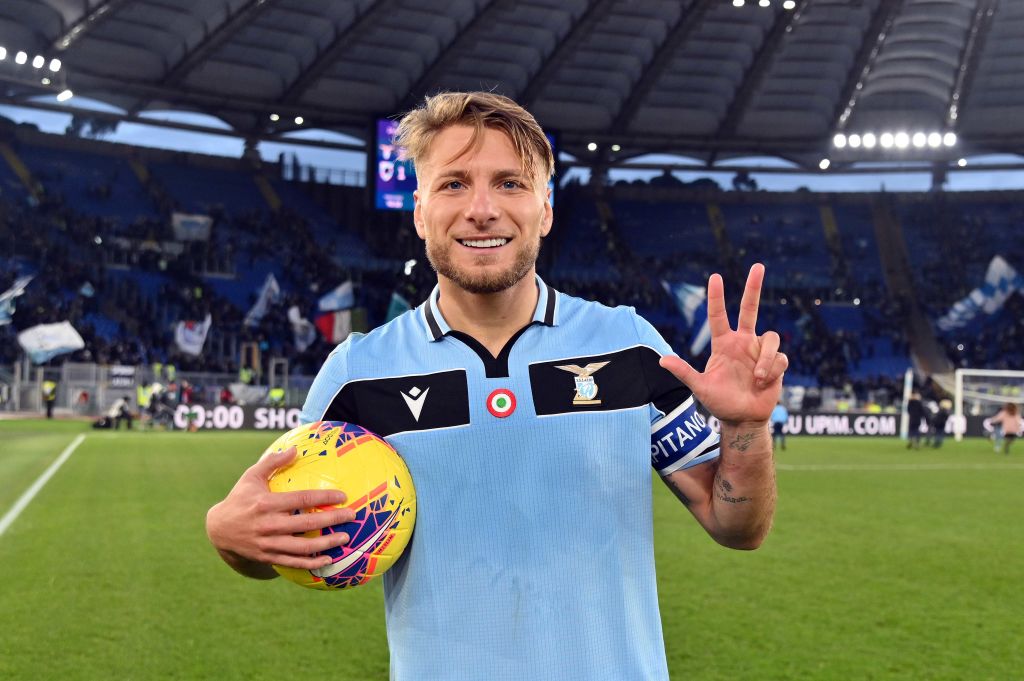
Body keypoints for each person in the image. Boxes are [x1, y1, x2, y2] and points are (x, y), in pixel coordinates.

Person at [205, 92, 788, 681]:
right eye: (453, 184)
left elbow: (737, 526)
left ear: (545, 209)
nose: (481, 210)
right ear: (419, 212)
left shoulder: (628, 344)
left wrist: (746, 428)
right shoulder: (359, 372)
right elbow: (287, 540)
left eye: (510, 183)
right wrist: (229, 537)